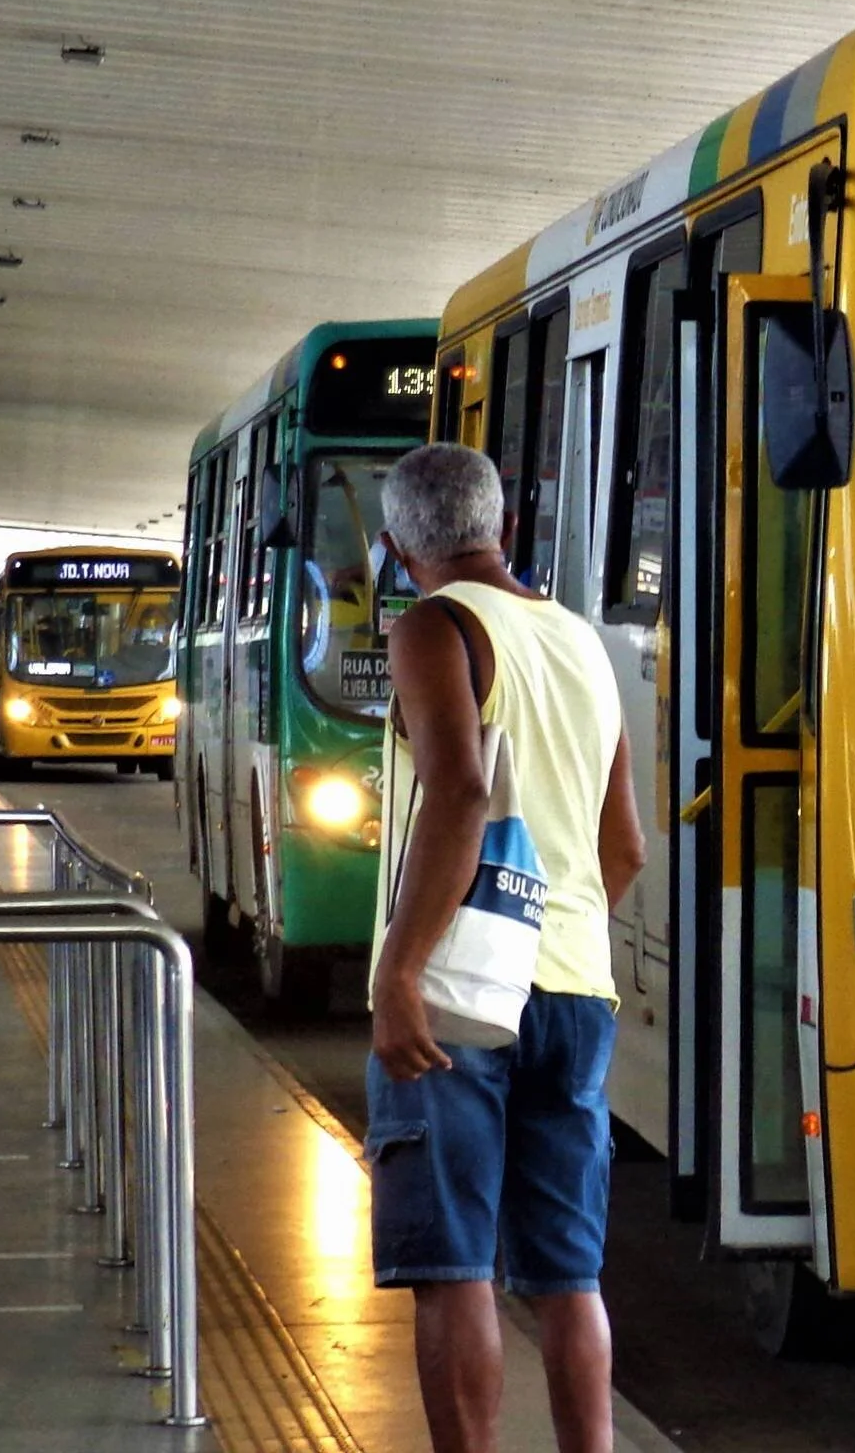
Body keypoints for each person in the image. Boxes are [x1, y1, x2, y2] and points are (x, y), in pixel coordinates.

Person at [365, 442, 644, 1453]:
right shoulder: (580, 641)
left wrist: (402, 967)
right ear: (503, 531)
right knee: (569, 1275)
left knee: (452, 1266)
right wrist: (554, 936)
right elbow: (625, 847)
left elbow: (461, 793)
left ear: (398, 549)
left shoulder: (433, 627)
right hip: (575, 987)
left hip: (457, 992)